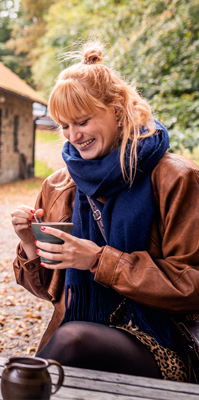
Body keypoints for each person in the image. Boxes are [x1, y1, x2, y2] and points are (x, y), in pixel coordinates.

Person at [10, 41, 199, 381]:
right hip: (81, 332)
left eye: (81, 121)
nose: (73, 137)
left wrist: (98, 260)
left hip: (162, 340)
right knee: (70, 344)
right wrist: (29, 244)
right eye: (64, 126)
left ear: (115, 109)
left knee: (69, 344)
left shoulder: (176, 178)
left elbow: (192, 286)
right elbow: (48, 292)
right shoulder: (59, 186)